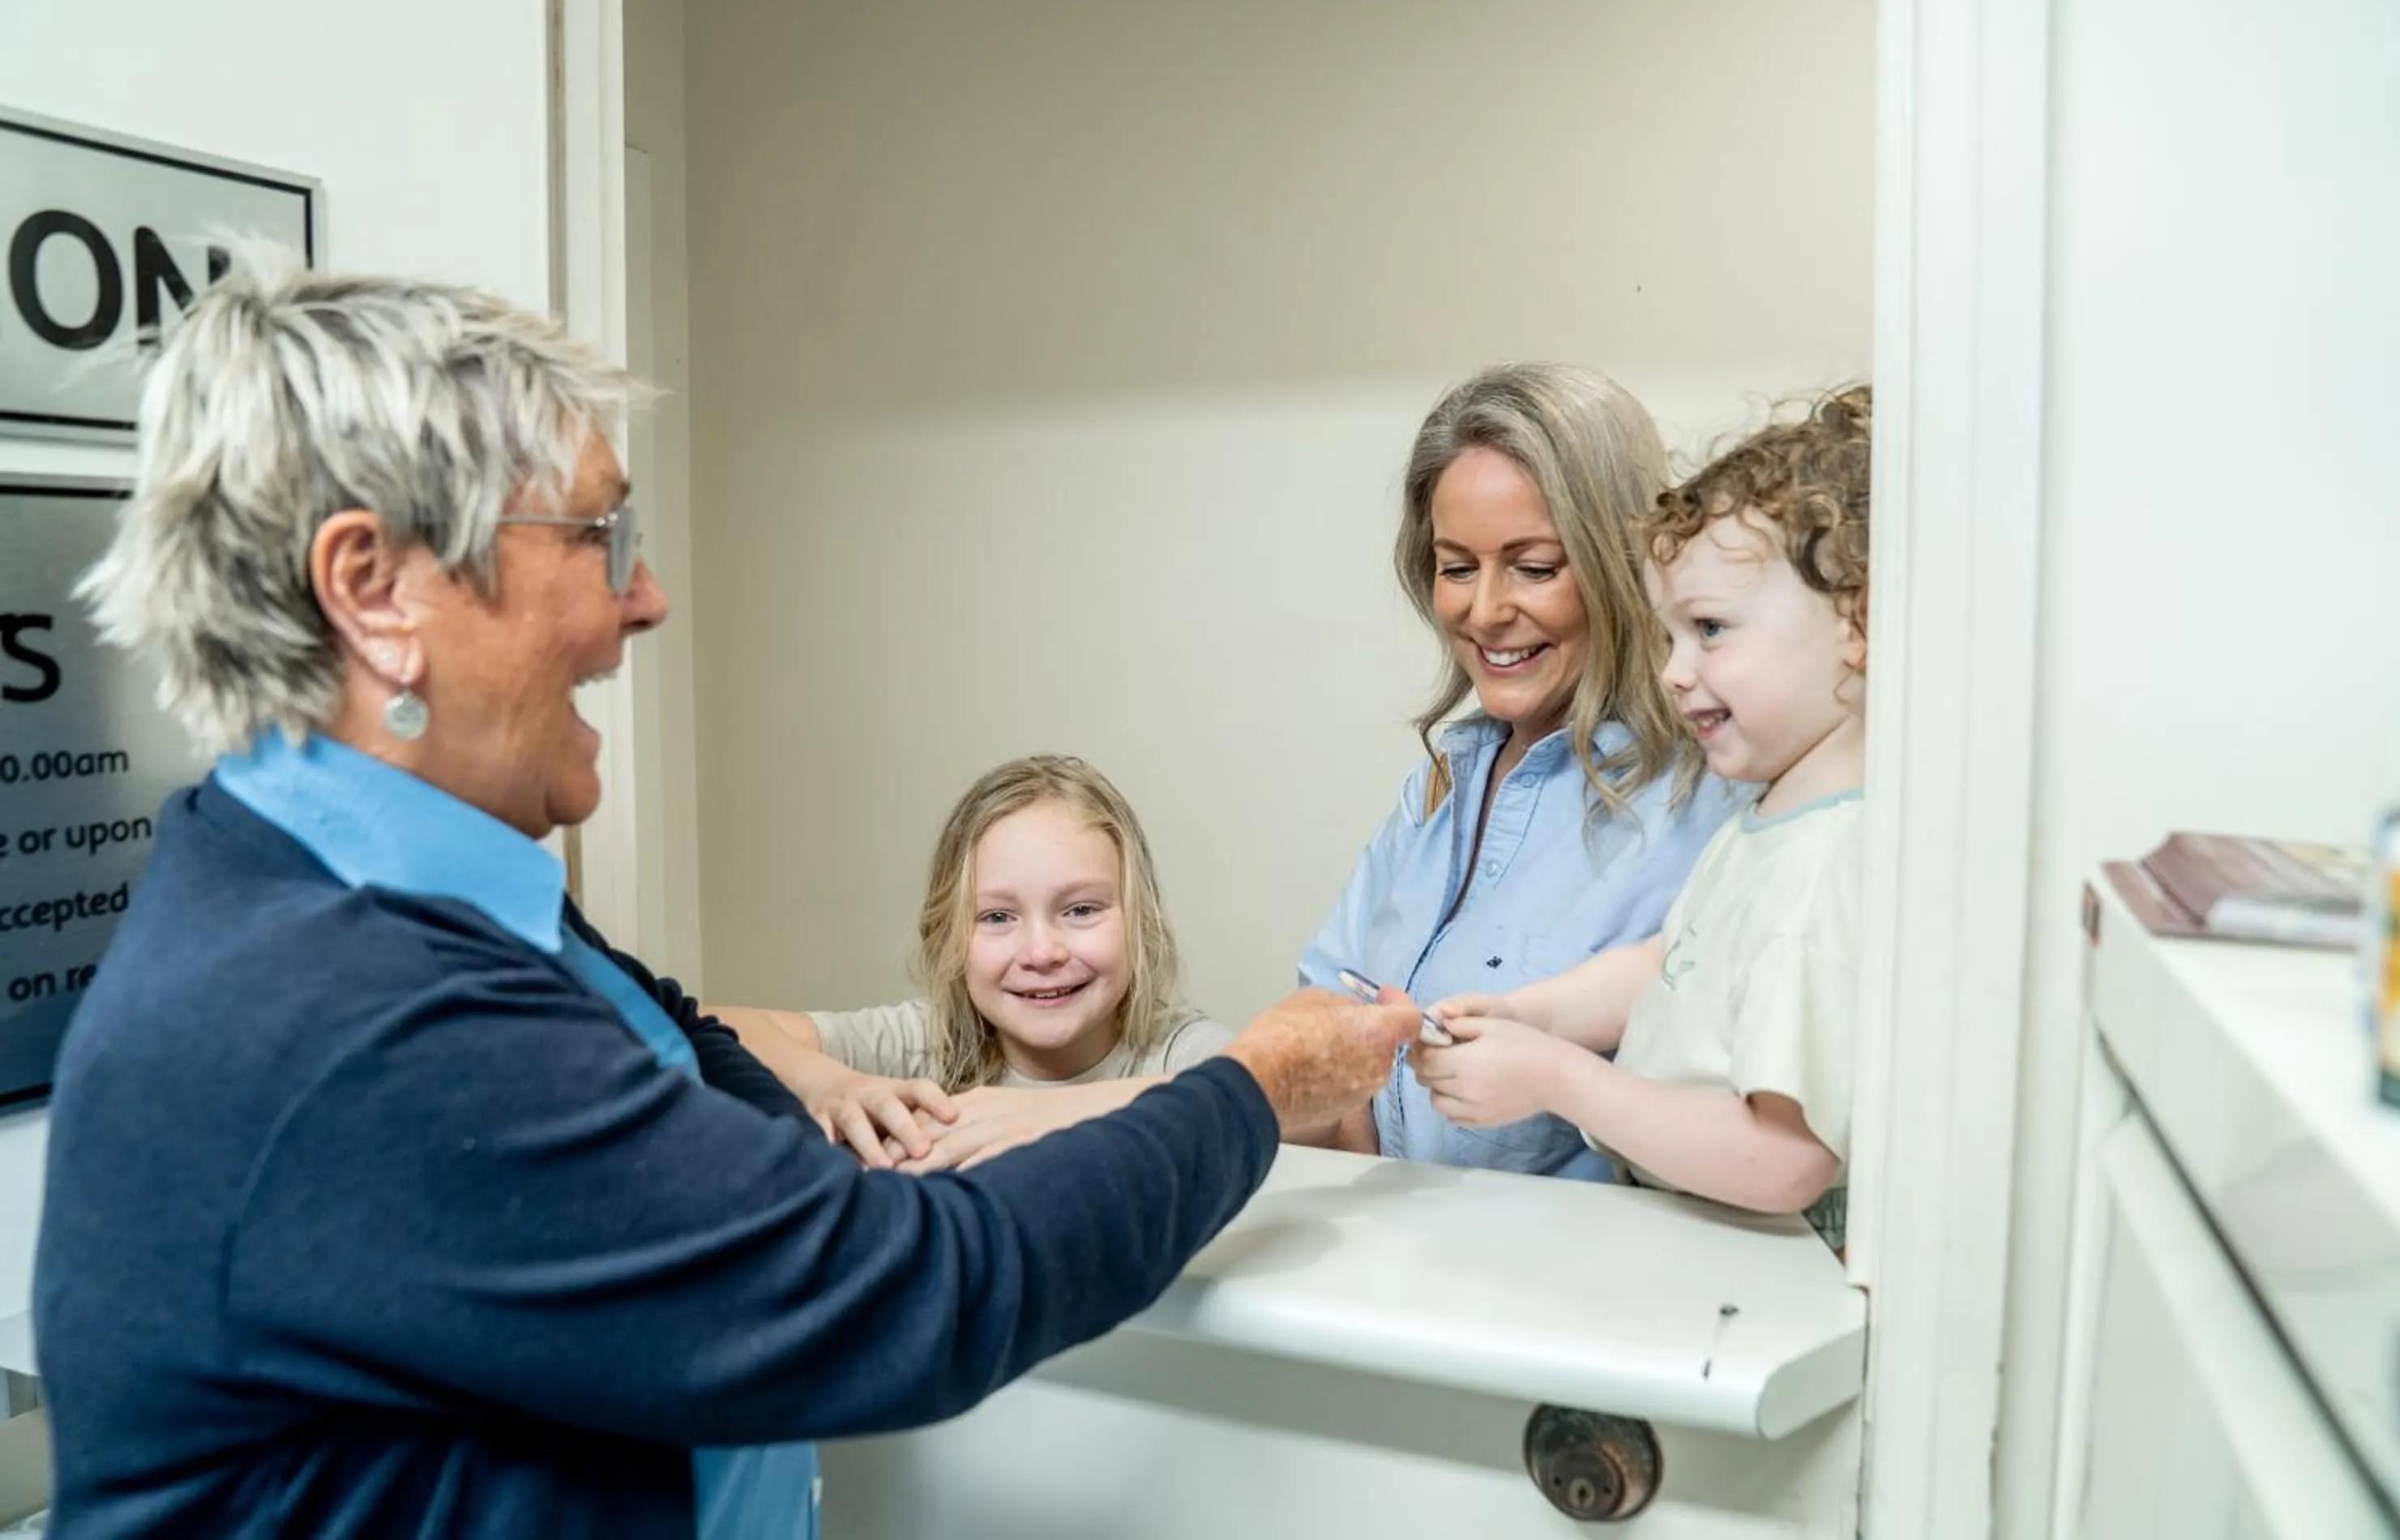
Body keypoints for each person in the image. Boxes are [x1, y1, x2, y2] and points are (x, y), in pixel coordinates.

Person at [30, 258, 1416, 1540]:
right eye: (596, 535)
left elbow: (687, 1057)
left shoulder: (434, 894)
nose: (647, 599)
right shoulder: (349, 1017)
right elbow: (918, 1289)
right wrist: (1255, 1084)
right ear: (375, 587)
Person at [1414, 387, 1871, 1248]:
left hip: (1757, 1270)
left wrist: (1558, 1078)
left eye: (1709, 629)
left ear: (1857, 623)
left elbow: (1783, 1161)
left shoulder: (1829, 868)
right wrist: (1536, 1015)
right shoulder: (1777, 817)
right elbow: (1678, 963)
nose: (1673, 672)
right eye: (1670, 637)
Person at [1297, 362, 1739, 1178]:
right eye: (1456, 566)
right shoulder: (1442, 783)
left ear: (1621, 564)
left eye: (1534, 566)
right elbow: (1328, 1014)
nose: (1485, 609)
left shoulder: (1710, 799)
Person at [712, 754, 1231, 1172]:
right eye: (998, 916)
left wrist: (1051, 1113)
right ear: (950, 935)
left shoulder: (1177, 1053)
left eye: (1080, 910)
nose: (1041, 952)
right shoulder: (928, 1046)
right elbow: (715, 1028)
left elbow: (1273, 1096)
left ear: (1140, 922)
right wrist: (830, 1084)